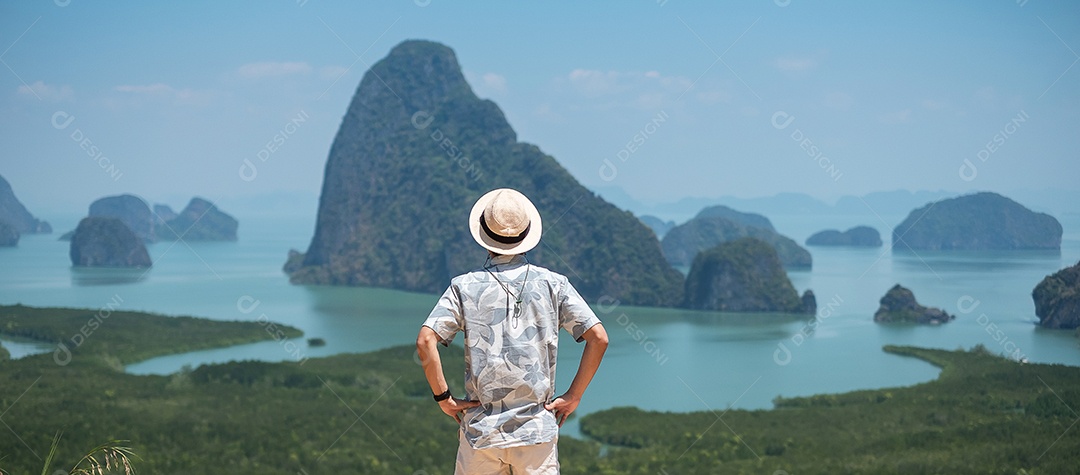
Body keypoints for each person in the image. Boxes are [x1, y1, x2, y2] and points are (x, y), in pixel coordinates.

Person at [416, 188, 609, 474]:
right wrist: (573, 395)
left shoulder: (463, 287)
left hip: (481, 435)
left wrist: (443, 398)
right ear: (526, 235)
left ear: (485, 237)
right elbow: (599, 338)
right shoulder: (554, 284)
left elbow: (425, 340)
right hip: (536, 435)